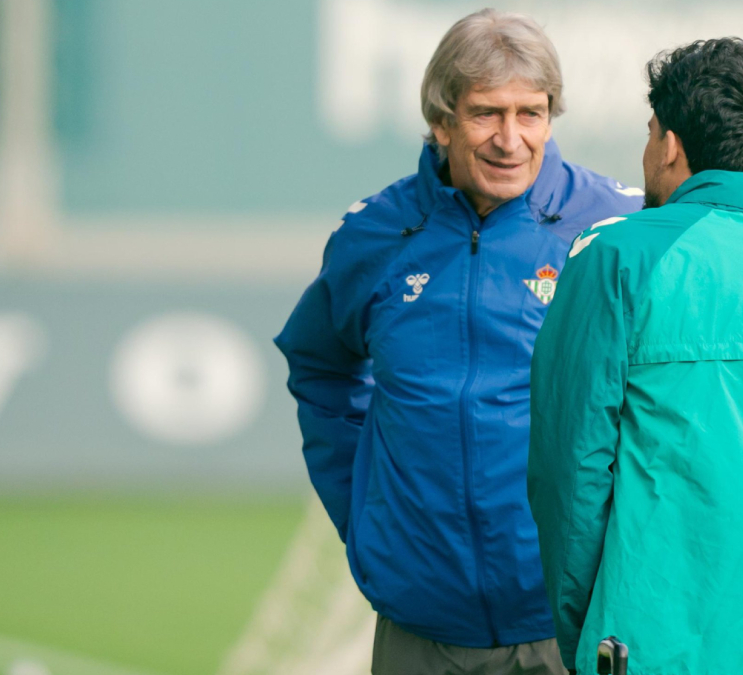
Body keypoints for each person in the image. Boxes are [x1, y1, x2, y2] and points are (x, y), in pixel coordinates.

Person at [274, 9, 642, 675]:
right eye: (486, 114)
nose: (510, 139)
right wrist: (368, 518)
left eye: (530, 114)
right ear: (441, 122)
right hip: (421, 625)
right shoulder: (376, 233)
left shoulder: (616, 228)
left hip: (570, 623)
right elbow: (320, 367)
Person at [528, 38, 743, 674]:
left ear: (669, 145)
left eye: (649, 132)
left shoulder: (616, 257)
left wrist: (590, 636)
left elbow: (569, 471)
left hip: (641, 651)